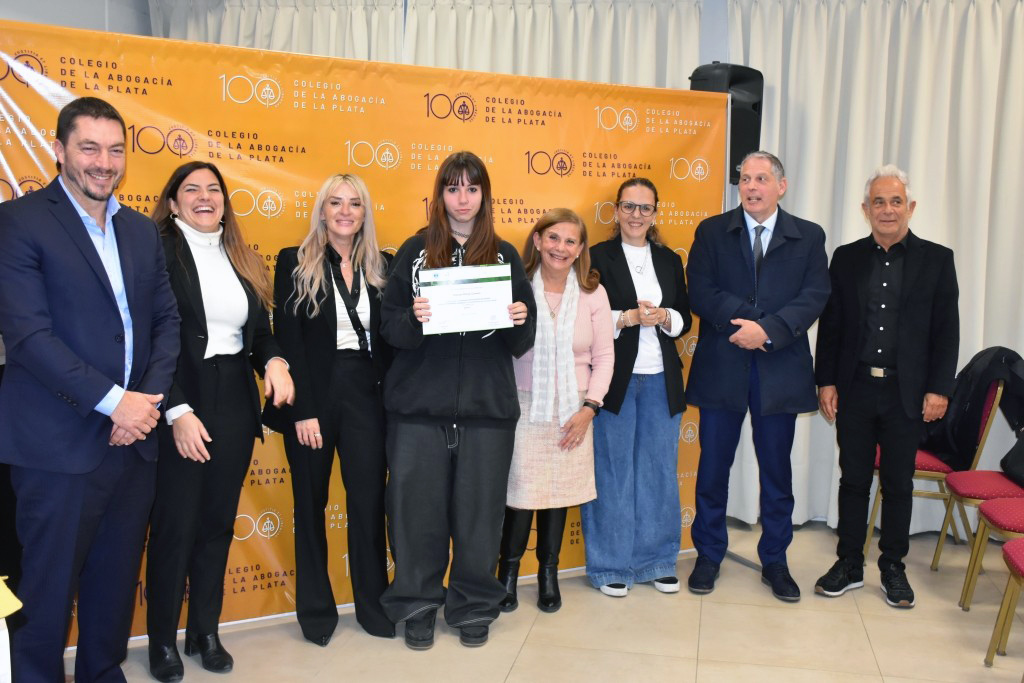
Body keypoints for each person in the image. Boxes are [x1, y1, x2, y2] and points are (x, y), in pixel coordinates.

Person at [0, 96, 180, 682]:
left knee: (112, 587)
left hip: (135, 442)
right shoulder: (19, 222)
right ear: (58, 150)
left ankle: (103, 674)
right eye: (89, 148)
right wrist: (115, 403)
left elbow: (165, 323)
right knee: (47, 597)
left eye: (115, 149)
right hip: (57, 446)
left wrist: (144, 407)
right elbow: (29, 337)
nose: (104, 162)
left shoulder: (138, 231)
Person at [379, 151, 536, 650]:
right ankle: (420, 604)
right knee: (416, 516)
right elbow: (390, 329)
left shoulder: (506, 255)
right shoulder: (415, 250)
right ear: (440, 195)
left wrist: (517, 316)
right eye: (453, 188)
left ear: (485, 195)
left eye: (472, 188)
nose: (463, 198)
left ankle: (472, 605)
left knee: (479, 518)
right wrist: (415, 317)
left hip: (487, 411)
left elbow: (523, 335)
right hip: (418, 412)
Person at [144, 161, 294, 681]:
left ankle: (204, 631)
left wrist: (274, 360)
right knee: (175, 527)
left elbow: (259, 333)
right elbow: (146, 340)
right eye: (192, 190)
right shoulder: (156, 252)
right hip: (179, 395)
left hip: (234, 396)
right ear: (172, 202)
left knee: (215, 525)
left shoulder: (242, 257)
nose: (205, 197)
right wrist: (176, 409)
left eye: (214, 190)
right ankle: (161, 639)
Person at [686, 151, 829, 602]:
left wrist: (768, 331)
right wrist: (747, 323)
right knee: (712, 468)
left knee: (776, 472)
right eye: (745, 179)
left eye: (761, 179)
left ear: (780, 186)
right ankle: (709, 554)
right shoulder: (712, 231)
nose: (751, 187)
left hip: (779, 367)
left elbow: (815, 295)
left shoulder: (808, 235)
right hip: (723, 364)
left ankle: (776, 561)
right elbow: (700, 291)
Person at [814, 165, 959, 608]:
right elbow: (832, 325)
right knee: (853, 480)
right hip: (856, 389)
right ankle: (849, 563)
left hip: (907, 394)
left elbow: (946, 330)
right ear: (865, 209)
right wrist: (827, 381)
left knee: (897, 483)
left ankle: (892, 567)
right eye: (879, 201)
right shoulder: (846, 257)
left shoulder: (937, 259)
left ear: (910, 207)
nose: (888, 209)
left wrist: (939, 389)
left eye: (896, 201)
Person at [262, 173, 395, 645]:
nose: (344, 211)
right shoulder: (293, 262)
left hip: (366, 395)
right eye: (335, 202)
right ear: (321, 211)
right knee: (310, 504)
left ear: (364, 213)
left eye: (354, 203)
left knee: (367, 503)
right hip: (312, 395)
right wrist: (303, 411)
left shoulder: (385, 264)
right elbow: (290, 339)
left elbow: (393, 338)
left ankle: (373, 606)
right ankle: (316, 612)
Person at [498, 209, 614, 614]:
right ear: (537, 241)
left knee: (560, 494)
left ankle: (549, 573)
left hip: (574, 407)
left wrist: (589, 409)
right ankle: (507, 576)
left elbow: (604, 356)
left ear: (580, 248)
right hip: (523, 405)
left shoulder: (593, 293)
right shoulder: (516, 288)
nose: (560, 248)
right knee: (519, 494)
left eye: (570, 241)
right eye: (553, 238)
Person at [580, 178, 691, 598]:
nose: (636, 215)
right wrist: (625, 318)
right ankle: (610, 565)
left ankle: (657, 562)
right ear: (616, 210)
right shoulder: (597, 257)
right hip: (614, 382)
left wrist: (664, 317)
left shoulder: (667, 259)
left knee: (659, 472)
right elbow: (584, 318)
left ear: (656, 214)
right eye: (629, 206)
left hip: (662, 379)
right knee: (612, 473)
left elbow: (686, 317)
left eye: (645, 208)